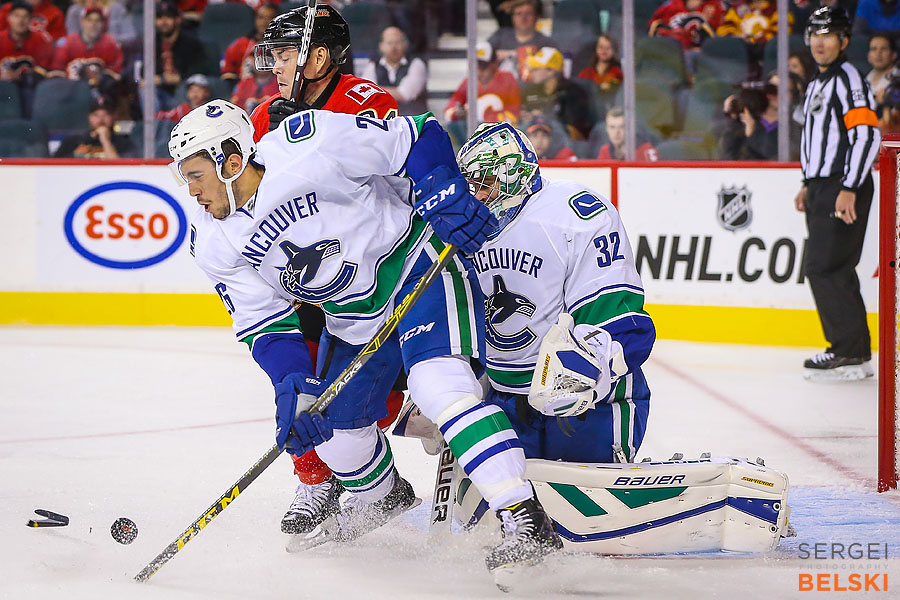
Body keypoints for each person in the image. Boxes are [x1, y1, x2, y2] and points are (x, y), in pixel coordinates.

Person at [167, 100, 562, 580]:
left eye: (195, 175)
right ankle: (383, 496)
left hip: (419, 272)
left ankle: (524, 517)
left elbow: (417, 135)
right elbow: (265, 323)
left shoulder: (308, 142)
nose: (191, 190)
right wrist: (292, 380)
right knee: (330, 434)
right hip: (351, 320)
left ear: (231, 162)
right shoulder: (212, 240)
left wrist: (443, 189)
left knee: (440, 388)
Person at [249, 3, 403, 536]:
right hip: (310, 280)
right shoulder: (265, 117)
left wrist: (312, 138)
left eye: (285, 55)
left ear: (319, 57)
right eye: (273, 55)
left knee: (387, 395)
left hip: (380, 275)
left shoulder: (366, 101)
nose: (275, 65)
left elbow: (390, 177)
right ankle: (315, 479)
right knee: (304, 381)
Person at [457, 120, 654, 468]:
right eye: (472, 185)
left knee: (586, 495)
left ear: (513, 174)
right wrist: (451, 382)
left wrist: (589, 368)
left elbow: (624, 322)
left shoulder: (574, 214)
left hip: (588, 404)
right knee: (501, 498)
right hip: (504, 398)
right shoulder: (464, 229)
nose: (478, 196)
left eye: (485, 183)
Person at [794, 6, 879, 380]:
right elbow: (817, 139)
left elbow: (867, 135)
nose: (820, 42)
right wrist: (807, 182)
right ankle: (852, 352)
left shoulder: (848, 79)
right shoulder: (818, 82)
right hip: (823, 185)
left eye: (828, 35)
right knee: (831, 268)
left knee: (825, 267)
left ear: (844, 41)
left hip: (842, 184)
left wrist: (849, 187)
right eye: (815, 33)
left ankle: (847, 352)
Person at [520, 47, 598, 141]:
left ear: (550, 71)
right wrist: (525, 117)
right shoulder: (531, 90)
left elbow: (574, 129)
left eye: (536, 69)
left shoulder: (573, 92)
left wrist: (543, 117)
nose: (531, 72)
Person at [49, 6, 123, 97]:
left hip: (100, 94)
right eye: (89, 20)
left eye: (98, 21)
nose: (93, 24)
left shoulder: (111, 44)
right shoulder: (66, 43)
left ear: (103, 24)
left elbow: (115, 75)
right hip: (70, 94)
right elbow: (56, 73)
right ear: (82, 22)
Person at [444, 40, 521, 126]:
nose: (478, 71)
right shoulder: (468, 82)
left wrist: (480, 115)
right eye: (474, 66)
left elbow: (515, 113)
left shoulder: (507, 79)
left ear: (494, 64)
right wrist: (457, 114)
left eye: (483, 66)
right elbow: (448, 111)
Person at [0, 0, 54, 117]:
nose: (21, 21)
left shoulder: (41, 40)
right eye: (16, 16)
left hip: (31, 90)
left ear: (31, 20)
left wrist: (27, 74)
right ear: (9, 18)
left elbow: (46, 69)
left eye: (25, 17)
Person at [360, 26, 428, 116]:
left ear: (405, 44)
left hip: (413, 119)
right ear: (381, 46)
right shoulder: (373, 65)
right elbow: (365, 93)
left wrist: (376, 91)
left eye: (397, 42)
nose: (394, 47)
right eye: (389, 43)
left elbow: (405, 95)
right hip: (382, 119)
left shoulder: (416, 64)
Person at [152, 0, 206, 110]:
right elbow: (144, 70)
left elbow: (200, 69)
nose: (163, 22)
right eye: (159, 18)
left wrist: (178, 78)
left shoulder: (190, 42)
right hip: (160, 90)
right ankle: (152, 119)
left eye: (168, 17)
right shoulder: (152, 42)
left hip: (183, 90)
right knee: (146, 89)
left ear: (178, 19)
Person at [487, 0, 557, 80]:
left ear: (537, 17)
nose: (523, 18)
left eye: (528, 14)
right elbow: (480, 54)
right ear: (512, 17)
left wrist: (511, 54)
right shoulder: (501, 36)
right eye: (519, 14)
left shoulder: (547, 43)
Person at [54, 93, 134, 158]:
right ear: (89, 117)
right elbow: (55, 167)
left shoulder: (123, 143)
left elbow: (120, 169)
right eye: (96, 115)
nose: (101, 119)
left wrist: (105, 140)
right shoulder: (73, 141)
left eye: (106, 115)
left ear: (113, 117)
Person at [220, 2, 279, 85]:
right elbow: (228, 72)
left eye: (269, 18)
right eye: (260, 17)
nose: (264, 22)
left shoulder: (283, 45)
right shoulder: (240, 44)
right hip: (244, 88)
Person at [0, 0, 65, 41]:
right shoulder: (8, 9)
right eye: (17, 15)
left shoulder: (55, 13)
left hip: (41, 53)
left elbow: (58, 42)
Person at [866, 33, 899, 104]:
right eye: (874, 49)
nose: (878, 53)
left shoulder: (898, 78)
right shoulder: (866, 78)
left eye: (883, 49)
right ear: (869, 56)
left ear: (894, 55)